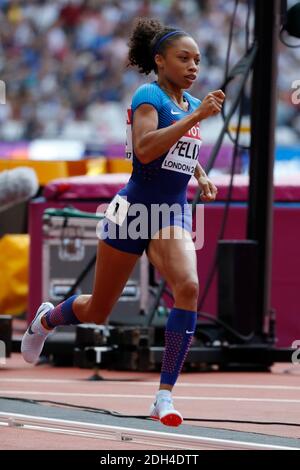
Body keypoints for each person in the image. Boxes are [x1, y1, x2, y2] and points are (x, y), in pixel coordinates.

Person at [22, 17, 225, 427]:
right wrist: (198, 115)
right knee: (99, 309)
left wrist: (200, 176)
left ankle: (163, 396)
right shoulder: (148, 95)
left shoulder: (189, 104)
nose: (193, 67)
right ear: (160, 60)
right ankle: (47, 318)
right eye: (183, 58)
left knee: (187, 285)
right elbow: (147, 150)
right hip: (132, 209)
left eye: (198, 61)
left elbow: (182, 149)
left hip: (172, 210)